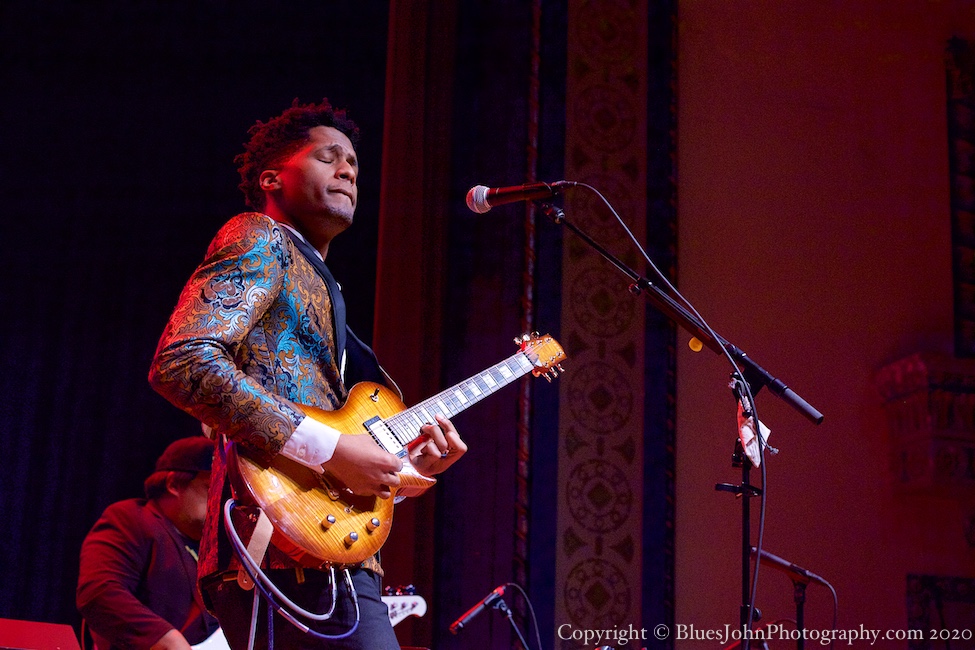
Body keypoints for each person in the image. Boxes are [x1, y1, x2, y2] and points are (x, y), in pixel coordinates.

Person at [148, 98, 467, 649]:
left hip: (328, 554)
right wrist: (333, 449)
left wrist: (401, 470)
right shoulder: (260, 236)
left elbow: (324, 446)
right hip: (277, 556)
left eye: (354, 163)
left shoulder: (321, 284)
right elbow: (184, 360)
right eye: (328, 157)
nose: (348, 170)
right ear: (272, 178)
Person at [77, 435, 220, 650]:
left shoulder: (216, 549)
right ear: (173, 484)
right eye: (211, 489)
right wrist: (166, 640)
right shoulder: (130, 519)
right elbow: (99, 593)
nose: (219, 501)